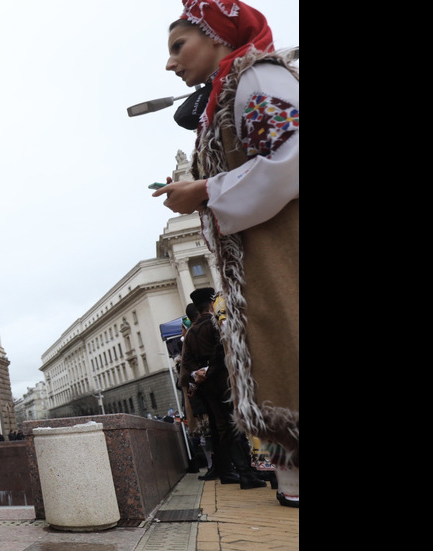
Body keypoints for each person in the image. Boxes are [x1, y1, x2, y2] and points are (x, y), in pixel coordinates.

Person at [153, 0, 298, 508]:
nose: (171, 63)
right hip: (262, 256)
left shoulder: (258, 78)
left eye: (178, 46)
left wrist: (207, 189)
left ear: (217, 35)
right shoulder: (225, 95)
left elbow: (292, 157)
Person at [181, 288, 265, 490]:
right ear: (211, 304)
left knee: (224, 428)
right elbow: (223, 350)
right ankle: (249, 473)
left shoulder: (191, 332)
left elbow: (187, 362)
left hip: (207, 388)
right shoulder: (215, 323)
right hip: (225, 381)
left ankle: (238, 472)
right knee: (238, 424)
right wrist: (209, 371)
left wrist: (196, 374)